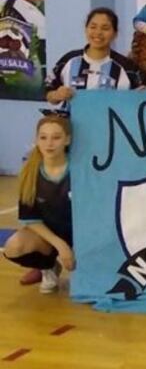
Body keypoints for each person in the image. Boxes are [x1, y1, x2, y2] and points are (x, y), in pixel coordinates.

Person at [3, 115, 75, 293]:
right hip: (50, 235)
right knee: (14, 247)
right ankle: (49, 267)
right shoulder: (30, 171)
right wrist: (61, 245)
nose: (49, 143)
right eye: (43, 137)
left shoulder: (80, 169)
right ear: (36, 140)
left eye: (56, 137)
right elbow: (30, 218)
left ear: (67, 140)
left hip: (81, 233)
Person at [45, 7, 143, 113]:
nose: (98, 32)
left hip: (110, 128)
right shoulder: (68, 60)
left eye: (105, 28)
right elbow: (48, 91)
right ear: (86, 29)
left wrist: (144, 95)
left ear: (115, 33)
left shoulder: (127, 67)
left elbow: (142, 98)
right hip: (71, 127)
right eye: (93, 27)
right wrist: (57, 95)